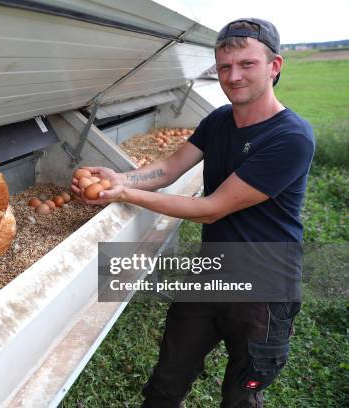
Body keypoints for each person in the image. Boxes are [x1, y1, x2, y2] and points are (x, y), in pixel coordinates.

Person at [72, 18, 315, 407]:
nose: (232, 76)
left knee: (241, 395)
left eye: (246, 64)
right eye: (223, 66)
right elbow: (168, 169)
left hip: (265, 289)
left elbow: (210, 209)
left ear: (275, 66)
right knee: (166, 383)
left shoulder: (290, 137)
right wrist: (122, 177)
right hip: (213, 272)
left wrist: (126, 195)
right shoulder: (219, 120)